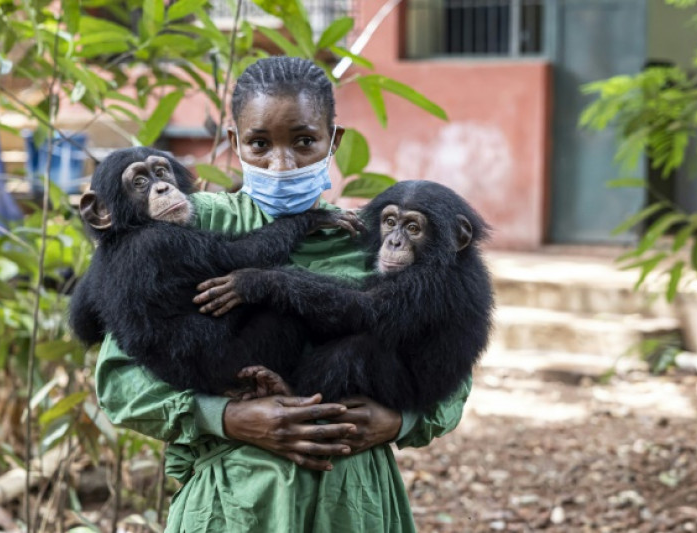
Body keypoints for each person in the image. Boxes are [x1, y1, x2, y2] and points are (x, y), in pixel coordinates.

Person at [94, 56, 471, 532]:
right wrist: (228, 417)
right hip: (232, 500)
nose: (282, 163)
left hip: (353, 503)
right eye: (259, 144)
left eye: (304, 142)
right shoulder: (180, 223)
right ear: (235, 143)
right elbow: (118, 381)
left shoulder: (376, 241)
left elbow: (451, 369)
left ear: (333, 141)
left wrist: (398, 423)